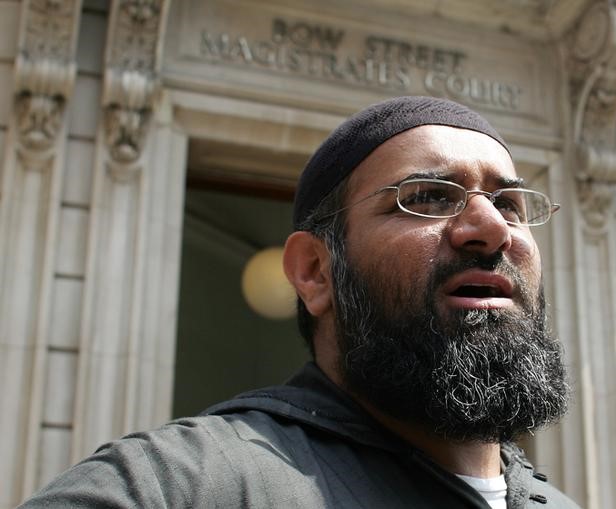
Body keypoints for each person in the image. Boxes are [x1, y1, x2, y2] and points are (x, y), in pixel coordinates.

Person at [20, 96, 579, 508]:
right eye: (428, 197)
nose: (491, 228)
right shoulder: (178, 485)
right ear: (314, 272)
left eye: (508, 202)